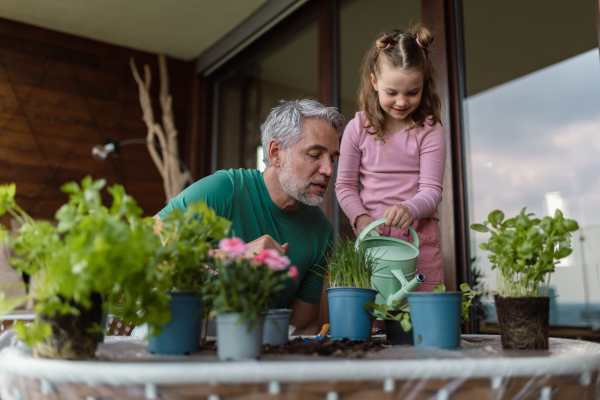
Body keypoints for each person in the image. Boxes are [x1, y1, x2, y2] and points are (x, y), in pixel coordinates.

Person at [154, 99, 344, 334]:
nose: (328, 170)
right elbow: (146, 241)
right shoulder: (224, 190)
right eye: (315, 154)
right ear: (276, 153)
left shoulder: (320, 230)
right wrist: (234, 257)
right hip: (184, 342)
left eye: (333, 158)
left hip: (261, 355)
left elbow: (301, 327)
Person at [335, 25, 446, 291]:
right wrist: (360, 219)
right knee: (376, 319)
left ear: (424, 85)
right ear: (374, 82)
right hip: (374, 236)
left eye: (412, 92)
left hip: (419, 235)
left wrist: (409, 209)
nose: (401, 102)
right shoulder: (357, 128)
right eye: (391, 92)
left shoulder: (429, 129)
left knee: (420, 314)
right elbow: (345, 186)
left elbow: (432, 191)